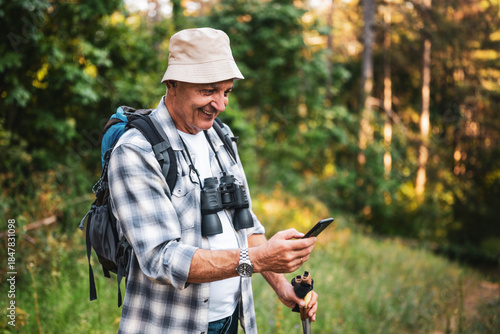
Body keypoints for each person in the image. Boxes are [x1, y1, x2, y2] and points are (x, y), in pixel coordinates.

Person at [108, 27, 318, 334]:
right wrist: (258, 259)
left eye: (226, 91)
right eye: (208, 91)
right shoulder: (136, 151)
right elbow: (161, 258)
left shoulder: (220, 136)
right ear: (173, 84)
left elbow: (245, 226)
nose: (220, 105)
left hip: (232, 321)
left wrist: (283, 287)